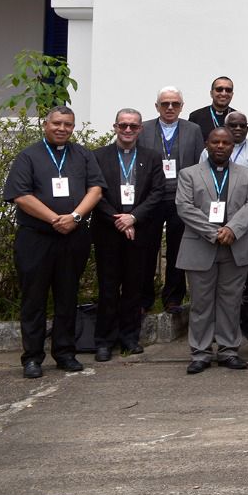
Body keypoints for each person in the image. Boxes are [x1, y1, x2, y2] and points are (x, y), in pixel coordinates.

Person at [4, 106, 105, 378]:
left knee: (68, 297)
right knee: (34, 299)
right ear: (45, 125)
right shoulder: (28, 156)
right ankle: (32, 357)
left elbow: (95, 189)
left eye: (68, 124)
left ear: (73, 127)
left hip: (74, 237)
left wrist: (74, 217)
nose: (62, 128)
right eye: (57, 123)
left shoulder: (83, 155)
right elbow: (20, 195)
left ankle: (64, 353)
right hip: (36, 238)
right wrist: (54, 219)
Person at [176, 126, 248, 375]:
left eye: (225, 143)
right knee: (201, 304)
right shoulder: (188, 174)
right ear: (206, 144)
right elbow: (184, 207)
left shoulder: (246, 174)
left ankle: (228, 351)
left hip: (235, 246)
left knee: (230, 302)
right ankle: (200, 353)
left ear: (232, 146)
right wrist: (214, 232)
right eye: (215, 142)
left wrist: (232, 229)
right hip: (201, 246)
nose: (220, 146)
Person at [90, 108, 162, 360]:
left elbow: (157, 192)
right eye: (123, 125)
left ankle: (130, 338)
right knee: (108, 286)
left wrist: (134, 217)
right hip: (107, 231)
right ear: (115, 127)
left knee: (135, 286)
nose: (128, 130)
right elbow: (94, 193)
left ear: (141, 129)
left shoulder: (152, 157)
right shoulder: (98, 157)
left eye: (133, 126)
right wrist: (117, 219)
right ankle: (103, 340)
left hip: (140, 231)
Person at [135, 86, 204, 313]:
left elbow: (198, 163)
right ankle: (144, 299)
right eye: (165, 104)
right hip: (151, 198)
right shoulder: (143, 129)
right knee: (146, 248)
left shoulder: (193, 130)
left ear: (182, 106)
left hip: (181, 199)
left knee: (178, 248)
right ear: (157, 106)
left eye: (175, 103)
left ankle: (173, 297)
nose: (170, 108)